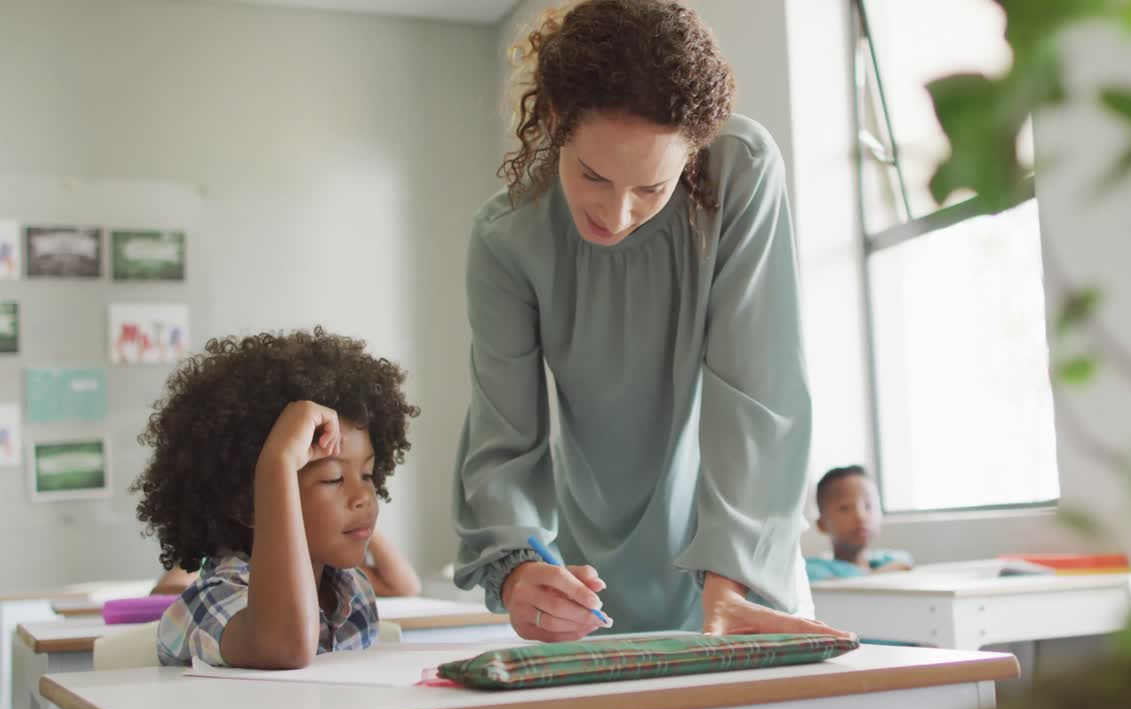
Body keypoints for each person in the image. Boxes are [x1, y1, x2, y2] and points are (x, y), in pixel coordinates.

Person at [453, 0, 849, 642]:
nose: (615, 212)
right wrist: (521, 569)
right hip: (584, 586)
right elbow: (503, 441)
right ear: (556, 119)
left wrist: (730, 583)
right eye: (593, 175)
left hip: (740, 572)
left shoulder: (738, 170)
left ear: (691, 156)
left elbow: (759, 393)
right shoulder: (505, 239)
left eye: (651, 189)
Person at [131, 328, 420, 668]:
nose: (363, 496)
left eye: (368, 475)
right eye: (333, 478)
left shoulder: (351, 592)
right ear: (247, 504)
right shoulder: (211, 600)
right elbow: (283, 647)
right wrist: (279, 459)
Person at [148, 528, 423, 598]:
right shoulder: (232, 562)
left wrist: (365, 530)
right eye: (334, 480)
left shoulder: (336, 572)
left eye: (365, 477)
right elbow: (168, 590)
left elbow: (406, 586)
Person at [805, 465, 913, 581]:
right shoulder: (814, 569)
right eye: (844, 508)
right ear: (821, 524)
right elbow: (837, 589)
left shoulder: (886, 559)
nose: (861, 516)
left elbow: (905, 562)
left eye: (868, 506)